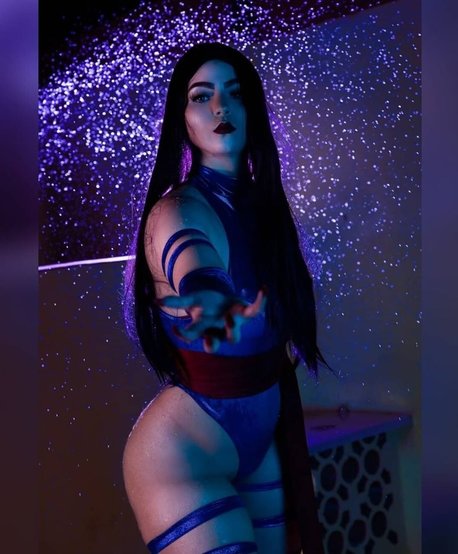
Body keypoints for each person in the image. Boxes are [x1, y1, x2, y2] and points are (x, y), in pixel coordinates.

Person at [122, 42, 327, 554]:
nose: (220, 107)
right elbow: (192, 262)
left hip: (259, 448)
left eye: (234, 93)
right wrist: (209, 296)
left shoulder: (266, 209)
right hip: (185, 458)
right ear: (182, 119)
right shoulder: (177, 210)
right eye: (202, 96)